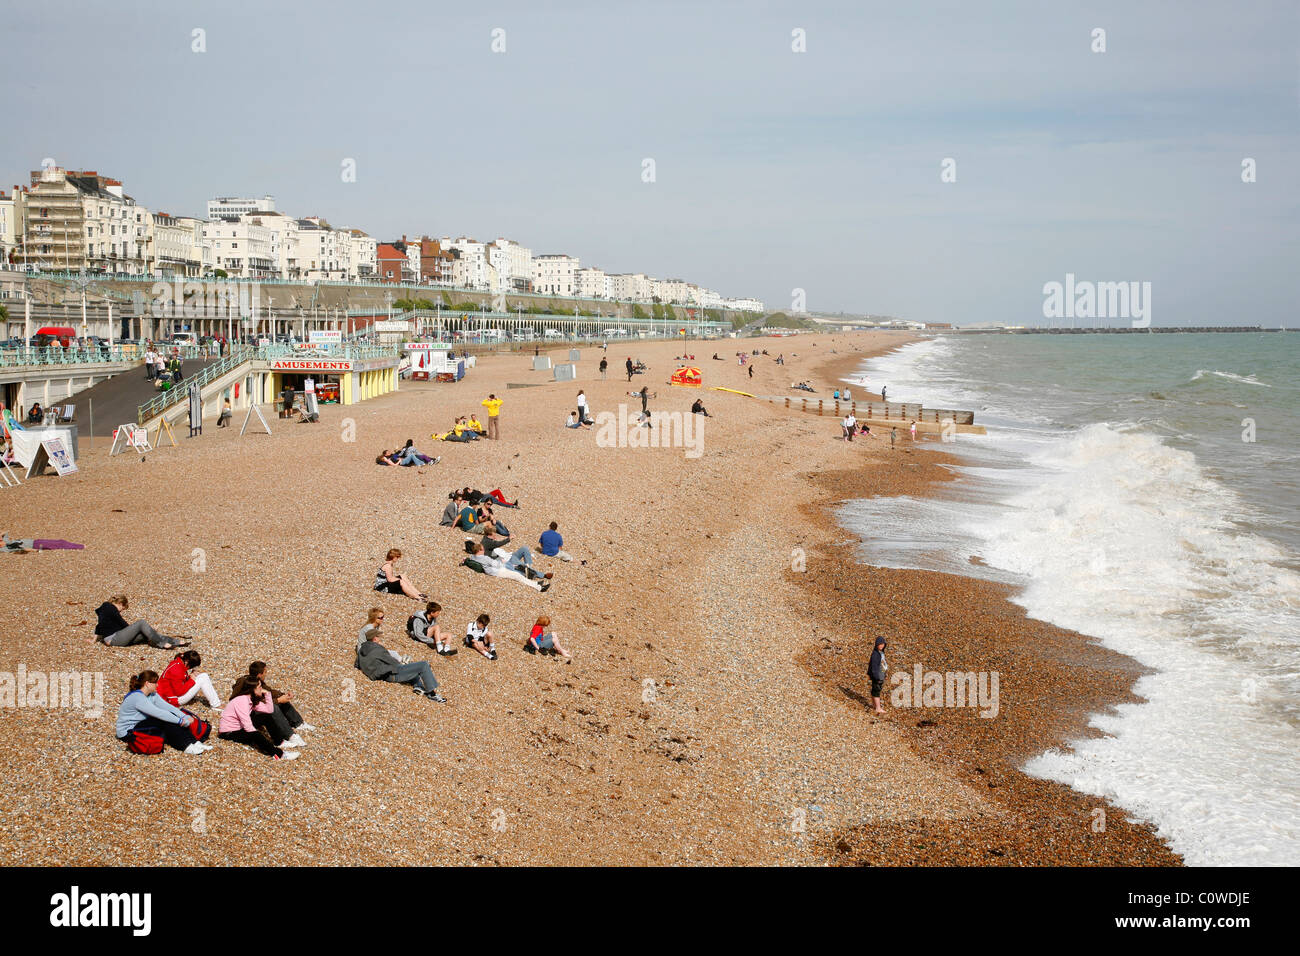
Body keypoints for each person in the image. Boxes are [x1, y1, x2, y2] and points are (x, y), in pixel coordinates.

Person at [116, 670, 213, 755]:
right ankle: (186, 746)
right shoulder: (137, 697)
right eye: (155, 683)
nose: (157, 685)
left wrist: (184, 716)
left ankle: (193, 742)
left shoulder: (152, 694)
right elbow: (158, 713)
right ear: (147, 684)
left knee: (171, 718)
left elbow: (168, 707)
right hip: (129, 731)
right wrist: (179, 721)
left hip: (140, 723)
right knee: (166, 721)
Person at [356, 613, 447, 701]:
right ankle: (432, 694)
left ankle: (417, 686)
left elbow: (357, 664)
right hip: (390, 675)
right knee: (423, 665)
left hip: (383, 674)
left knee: (414, 669)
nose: (379, 638)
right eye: (378, 637)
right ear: (375, 639)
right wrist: (402, 664)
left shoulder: (363, 649)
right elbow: (392, 662)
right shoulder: (377, 648)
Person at [218, 678, 300, 759]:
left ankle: (279, 741)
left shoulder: (251, 698)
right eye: (259, 687)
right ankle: (278, 754)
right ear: (252, 690)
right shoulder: (242, 701)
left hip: (239, 727)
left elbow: (269, 710)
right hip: (229, 733)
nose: (262, 689)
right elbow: (247, 726)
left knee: (265, 717)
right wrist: (258, 735)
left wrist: (267, 694)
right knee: (255, 734)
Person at [93, 594, 190, 649]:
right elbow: (123, 623)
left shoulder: (105, 609)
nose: (121, 610)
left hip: (115, 639)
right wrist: (133, 629)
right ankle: (162, 643)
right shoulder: (111, 608)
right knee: (141, 623)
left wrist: (93, 640)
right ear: (120, 603)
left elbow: (99, 625)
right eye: (123, 608)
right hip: (114, 639)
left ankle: (175, 642)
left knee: (147, 633)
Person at [247, 660, 316, 733]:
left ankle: (298, 723)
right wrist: (278, 700)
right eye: (265, 672)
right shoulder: (250, 686)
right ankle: (288, 735)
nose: (266, 674)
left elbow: (270, 691)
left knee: (283, 700)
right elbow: (257, 703)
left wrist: (283, 695)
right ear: (259, 675)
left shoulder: (257, 681)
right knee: (275, 706)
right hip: (251, 717)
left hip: (256, 710)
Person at [465, 542, 551, 591]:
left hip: (495, 570)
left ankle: (536, 583)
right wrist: (503, 562)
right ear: (480, 550)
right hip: (498, 571)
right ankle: (539, 587)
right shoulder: (485, 558)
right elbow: (496, 564)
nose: (484, 550)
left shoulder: (474, 556)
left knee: (516, 570)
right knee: (517, 575)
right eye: (483, 549)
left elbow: (470, 558)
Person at [157, 650, 221, 709]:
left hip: (167, 695)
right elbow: (179, 692)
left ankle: (215, 703)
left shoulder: (177, 662)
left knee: (202, 676)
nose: (190, 668)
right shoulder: (176, 670)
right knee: (203, 678)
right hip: (172, 699)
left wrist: (191, 676)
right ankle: (216, 705)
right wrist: (191, 680)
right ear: (187, 661)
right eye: (191, 666)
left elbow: (179, 680)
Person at [869, 637, 888, 715]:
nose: (881, 646)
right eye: (880, 644)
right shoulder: (875, 654)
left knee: (875, 690)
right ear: (876, 644)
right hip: (877, 676)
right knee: (877, 691)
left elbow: (882, 664)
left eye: (883, 644)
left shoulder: (881, 653)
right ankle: (878, 708)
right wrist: (875, 676)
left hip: (881, 674)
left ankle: (874, 705)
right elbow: (873, 666)